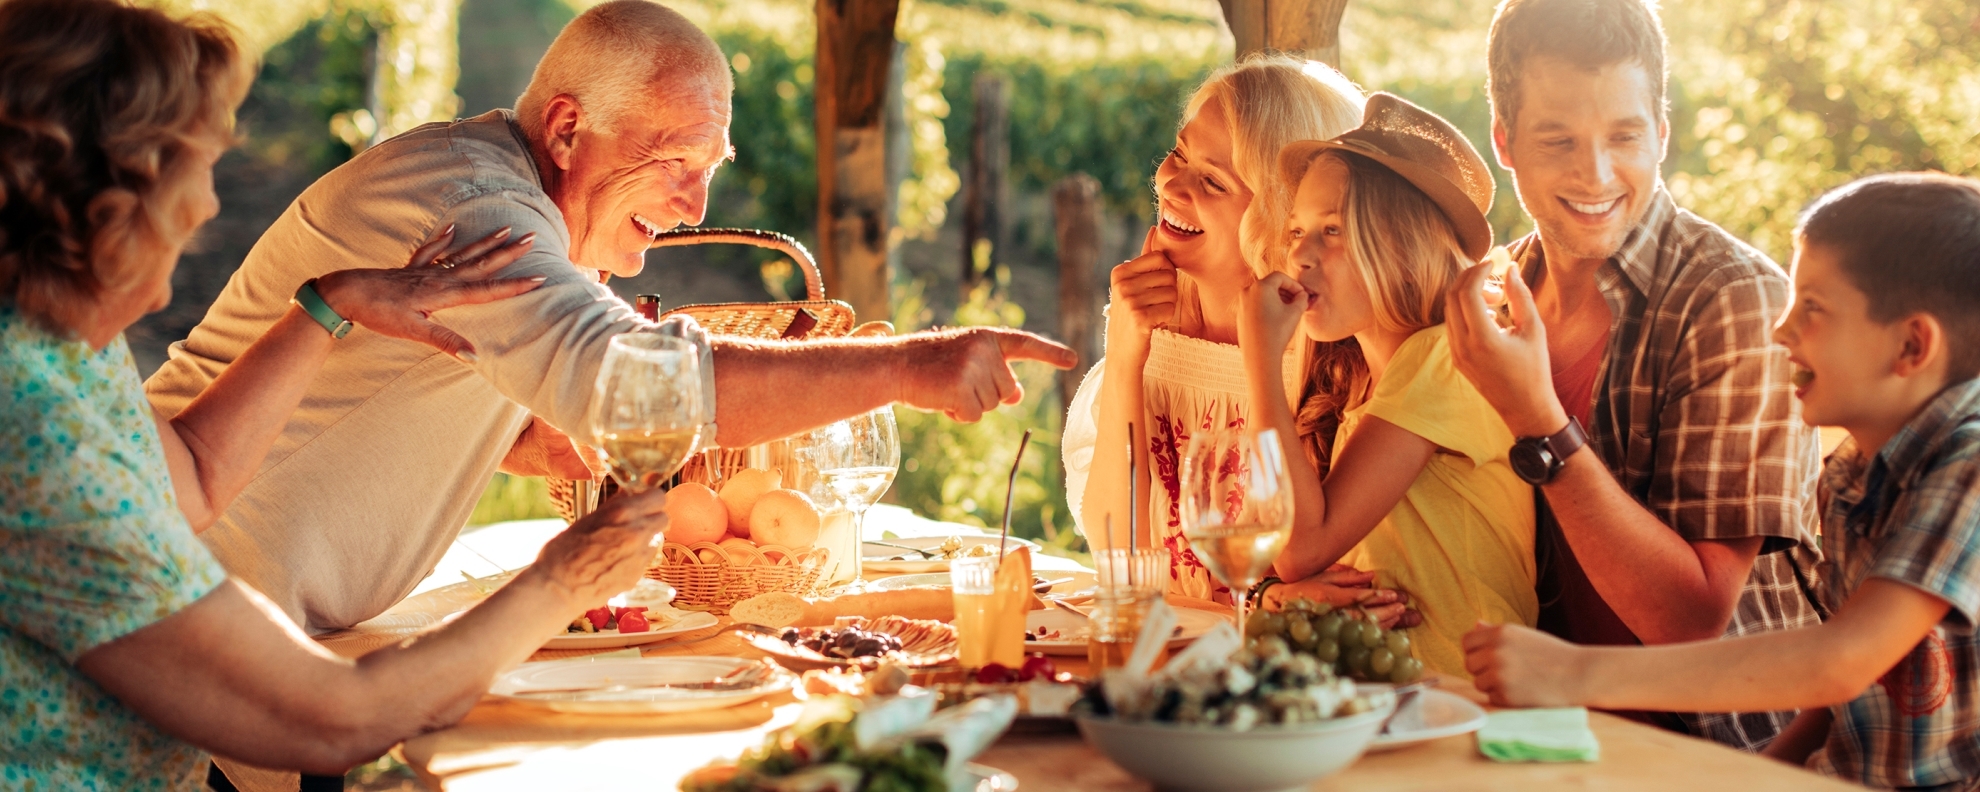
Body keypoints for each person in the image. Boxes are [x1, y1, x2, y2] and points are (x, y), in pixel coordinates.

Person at [145, 0, 1076, 638]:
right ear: (565, 131)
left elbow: (421, 383)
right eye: (676, 160)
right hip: (180, 609)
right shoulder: (479, 211)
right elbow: (643, 385)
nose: (694, 203)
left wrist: (529, 438)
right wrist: (913, 370)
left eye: (714, 164)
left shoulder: (509, 195)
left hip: (226, 606)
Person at [0, 0, 671, 788]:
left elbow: (192, 477)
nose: (210, 205)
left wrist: (328, 306)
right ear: (109, 196)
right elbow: (332, 720)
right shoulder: (36, 435)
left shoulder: (51, 340)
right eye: (198, 169)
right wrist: (566, 578)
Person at [1466, 171, 1980, 791]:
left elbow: (1844, 660)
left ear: (1911, 345)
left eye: (1812, 309)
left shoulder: (1970, 465)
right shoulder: (1850, 475)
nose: (1782, 329)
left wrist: (1576, 673)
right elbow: (1839, 701)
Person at [1442, 0, 1823, 750]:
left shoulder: (1732, 299)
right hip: (1527, 735)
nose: (1597, 173)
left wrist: (1541, 425)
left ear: (1662, 133)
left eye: (1625, 136)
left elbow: (1692, 621)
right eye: (1559, 140)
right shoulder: (1491, 295)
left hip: (1711, 750)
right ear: (1506, 140)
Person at [1062, 54, 1411, 621]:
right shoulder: (1153, 323)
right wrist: (1125, 354)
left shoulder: (1332, 353)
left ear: (1278, 213)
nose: (1172, 185)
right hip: (1171, 650)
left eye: (1213, 181)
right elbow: (1116, 554)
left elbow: (1335, 575)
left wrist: (1267, 602)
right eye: (1178, 154)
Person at [1237, 94, 1534, 679]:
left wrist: (1262, 362)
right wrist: (1278, 597)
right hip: (1384, 695)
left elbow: (1301, 545)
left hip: (1465, 701)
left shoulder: (1444, 357)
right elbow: (1277, 554)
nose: (1300, 253)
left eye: (1333, 230)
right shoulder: (1359, 388)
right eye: (1297, 230)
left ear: (1403, 248)